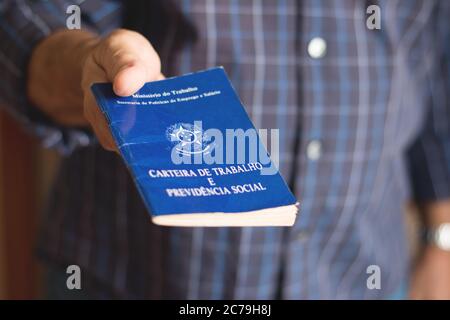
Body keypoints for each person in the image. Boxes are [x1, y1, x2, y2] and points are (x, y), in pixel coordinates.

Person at [1, 0, 450, 299]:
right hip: (134, 278)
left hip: (364, 276)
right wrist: (87, 65)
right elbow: (32, 18)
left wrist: (441, 242)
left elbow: (435, 67)